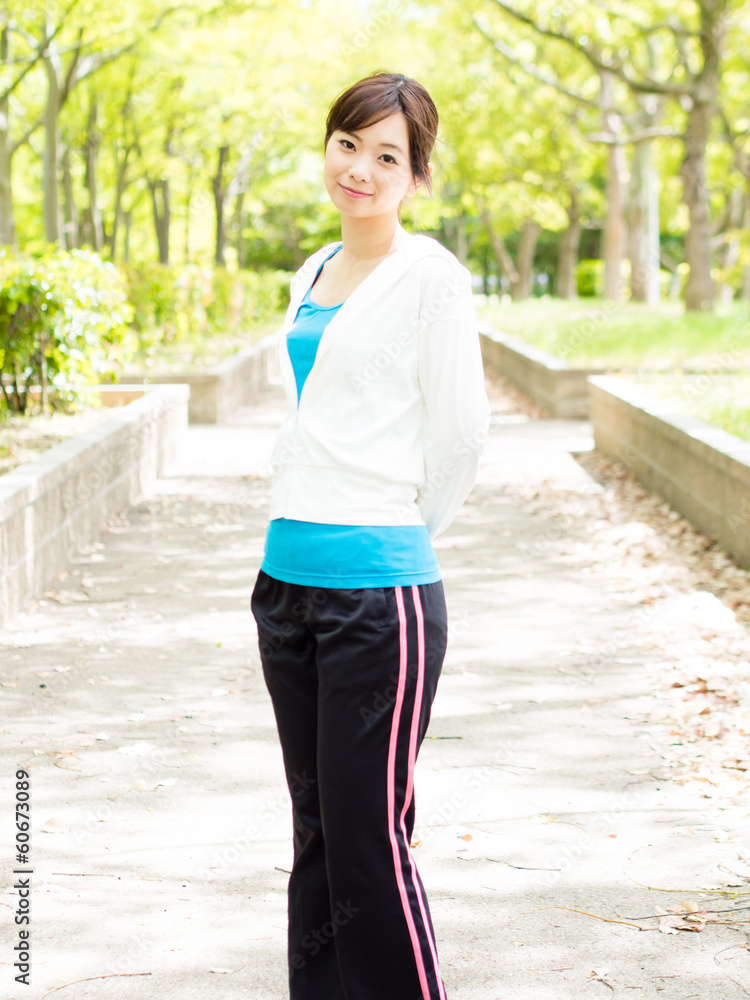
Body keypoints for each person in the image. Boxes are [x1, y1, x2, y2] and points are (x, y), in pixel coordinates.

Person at [250, 70, 491, 1000]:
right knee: (315, 832)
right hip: (286, 584)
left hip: (378, 598)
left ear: (416, 175)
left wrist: (395, 533)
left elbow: (462, 437)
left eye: (387, 155)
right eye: (348, 144)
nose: (361, 168)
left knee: (368, 838)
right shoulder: (313, 268)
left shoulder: (431, 278)